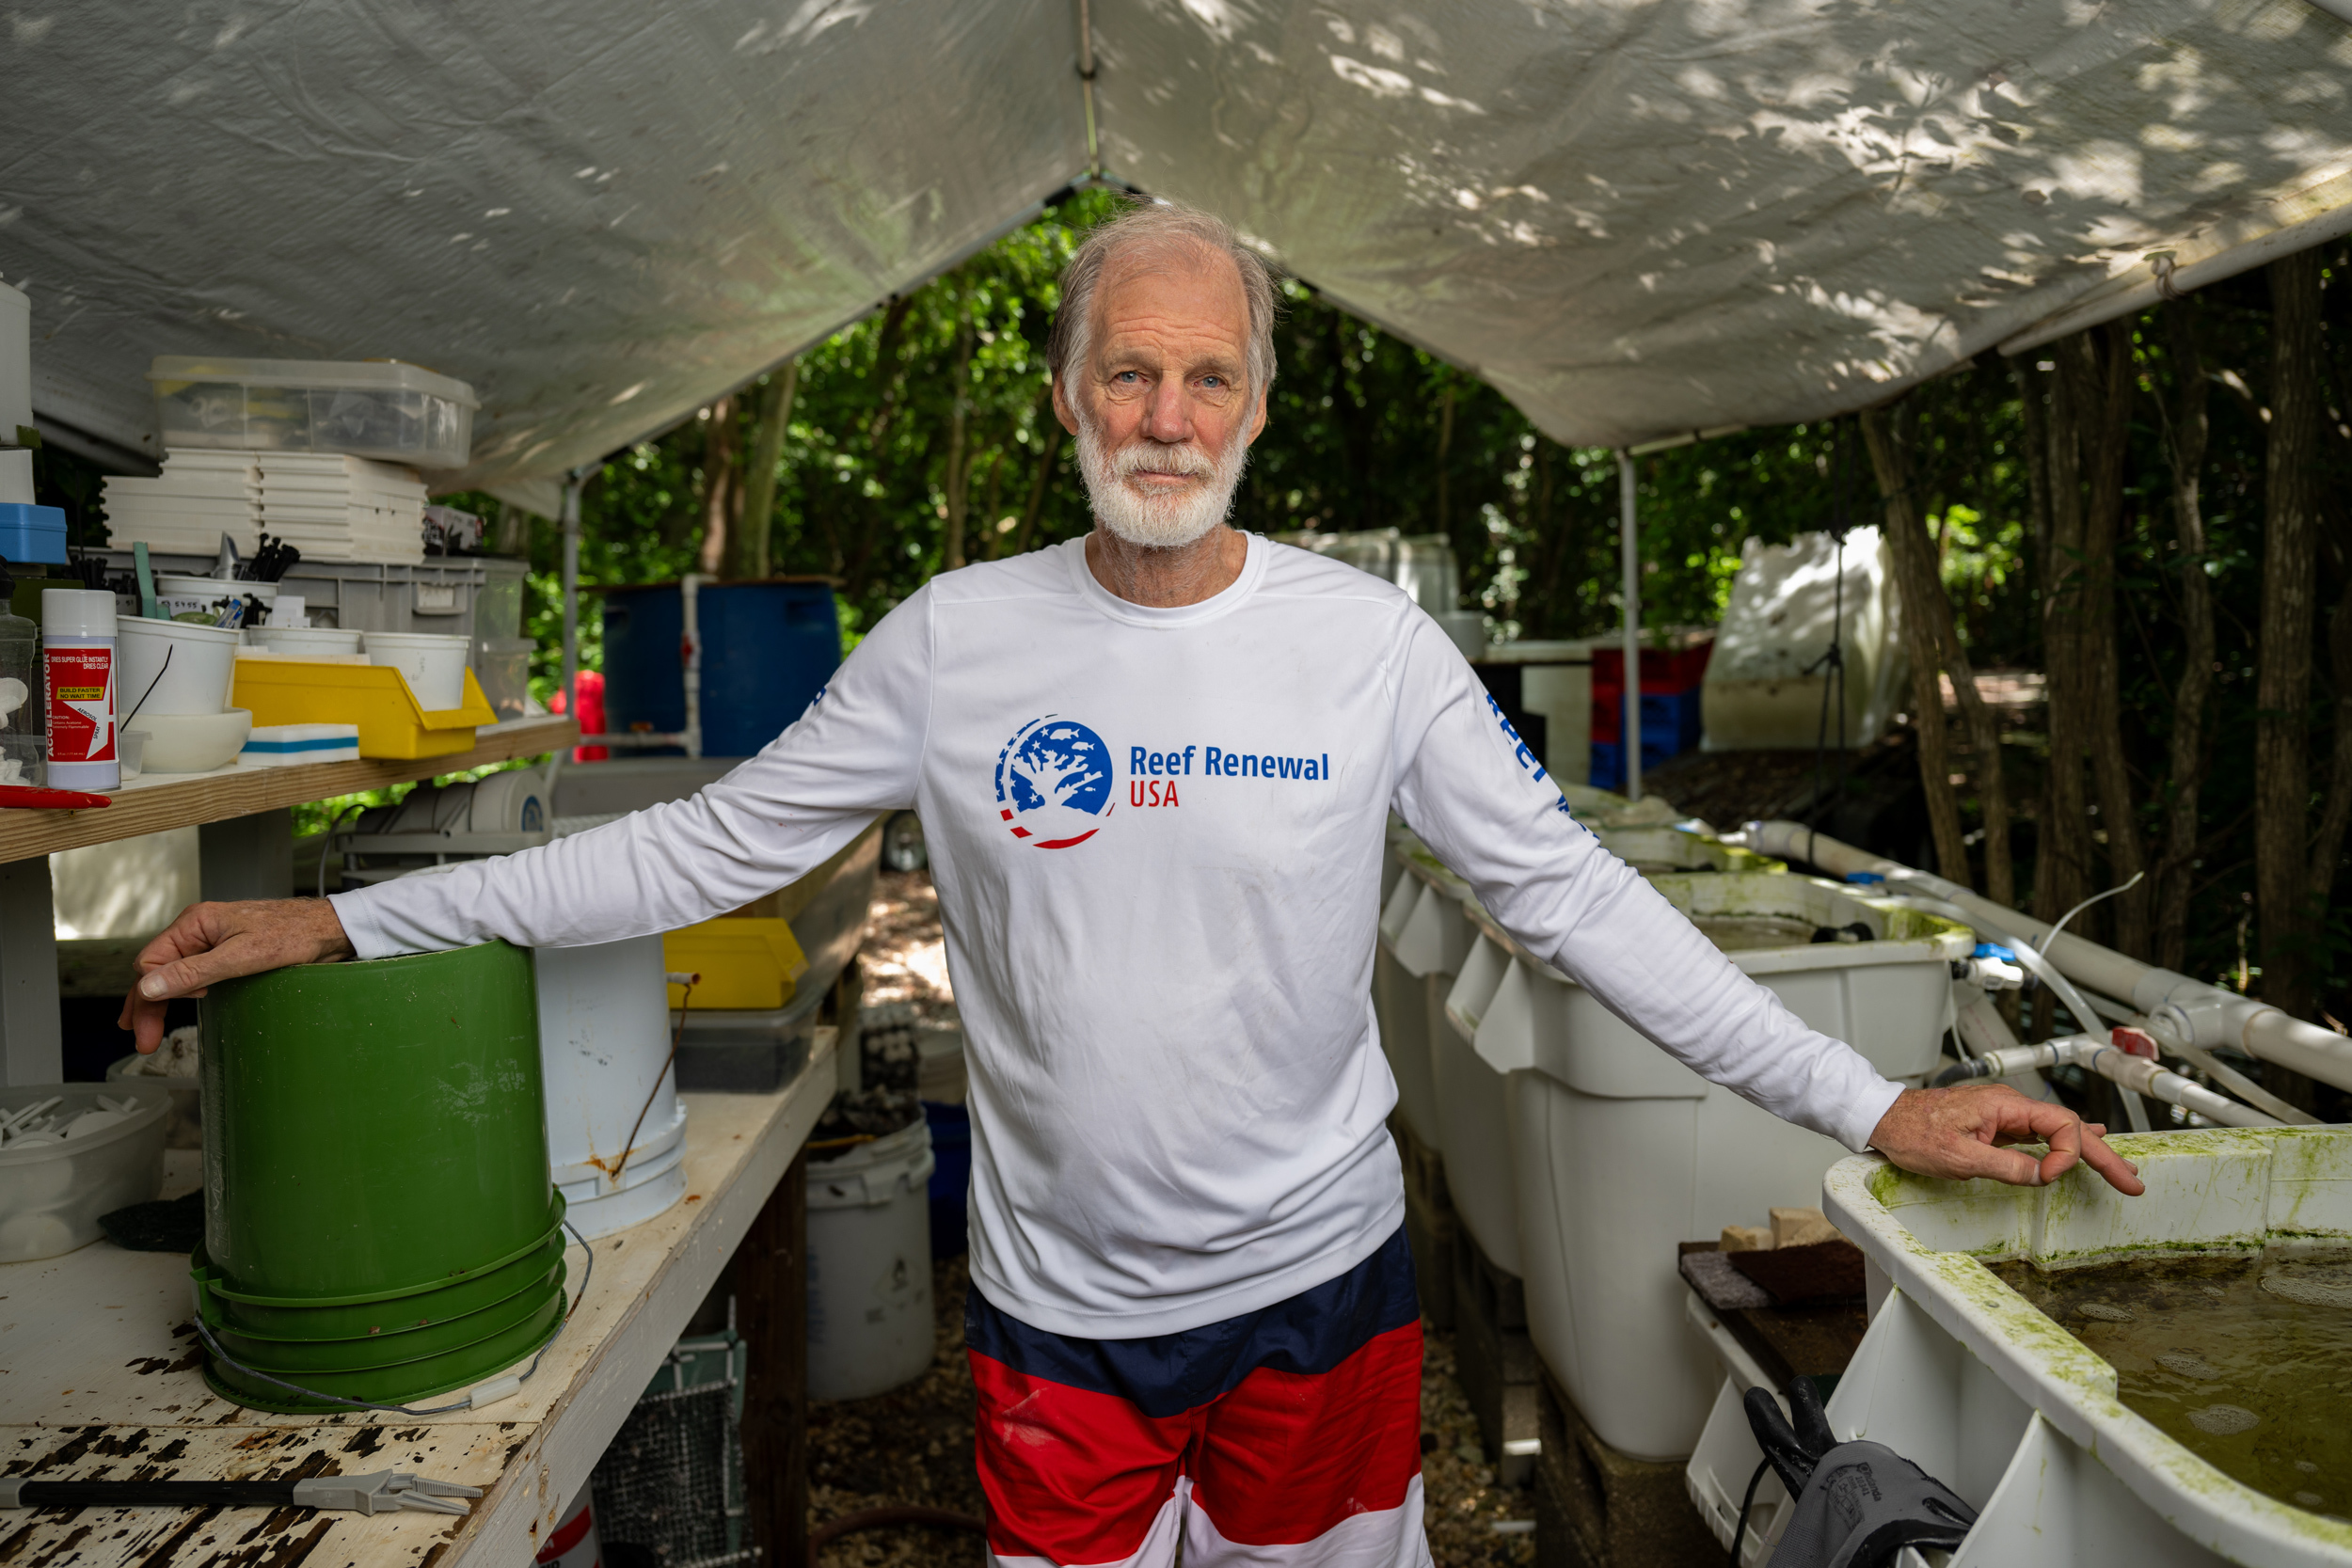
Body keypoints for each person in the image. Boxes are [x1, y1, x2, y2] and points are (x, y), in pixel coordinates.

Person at [125, 200, 2141, 1568]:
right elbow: (702, 846)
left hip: (1319, 1302)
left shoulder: (1360, 647)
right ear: (1067, 392)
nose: (1161, 418)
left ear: (1253, 403)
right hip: (1054, 1315)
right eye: (1123, 375)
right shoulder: (950, 643)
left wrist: (1869, 1104)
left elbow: (1575, 905)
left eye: (1202, 379)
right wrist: (342, 916)